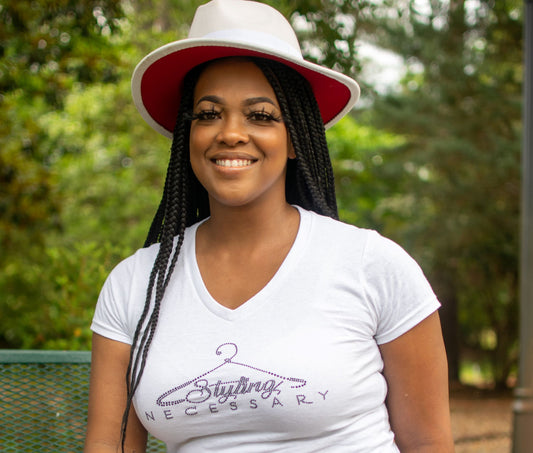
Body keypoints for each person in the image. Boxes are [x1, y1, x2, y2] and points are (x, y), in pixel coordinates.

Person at [84, 1, 454, 452]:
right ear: (189, 138)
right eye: (208, 114)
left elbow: (429, 444)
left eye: (260, 115)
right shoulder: (134, 285)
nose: (231, 133)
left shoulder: (372, 266)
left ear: (295, 138)